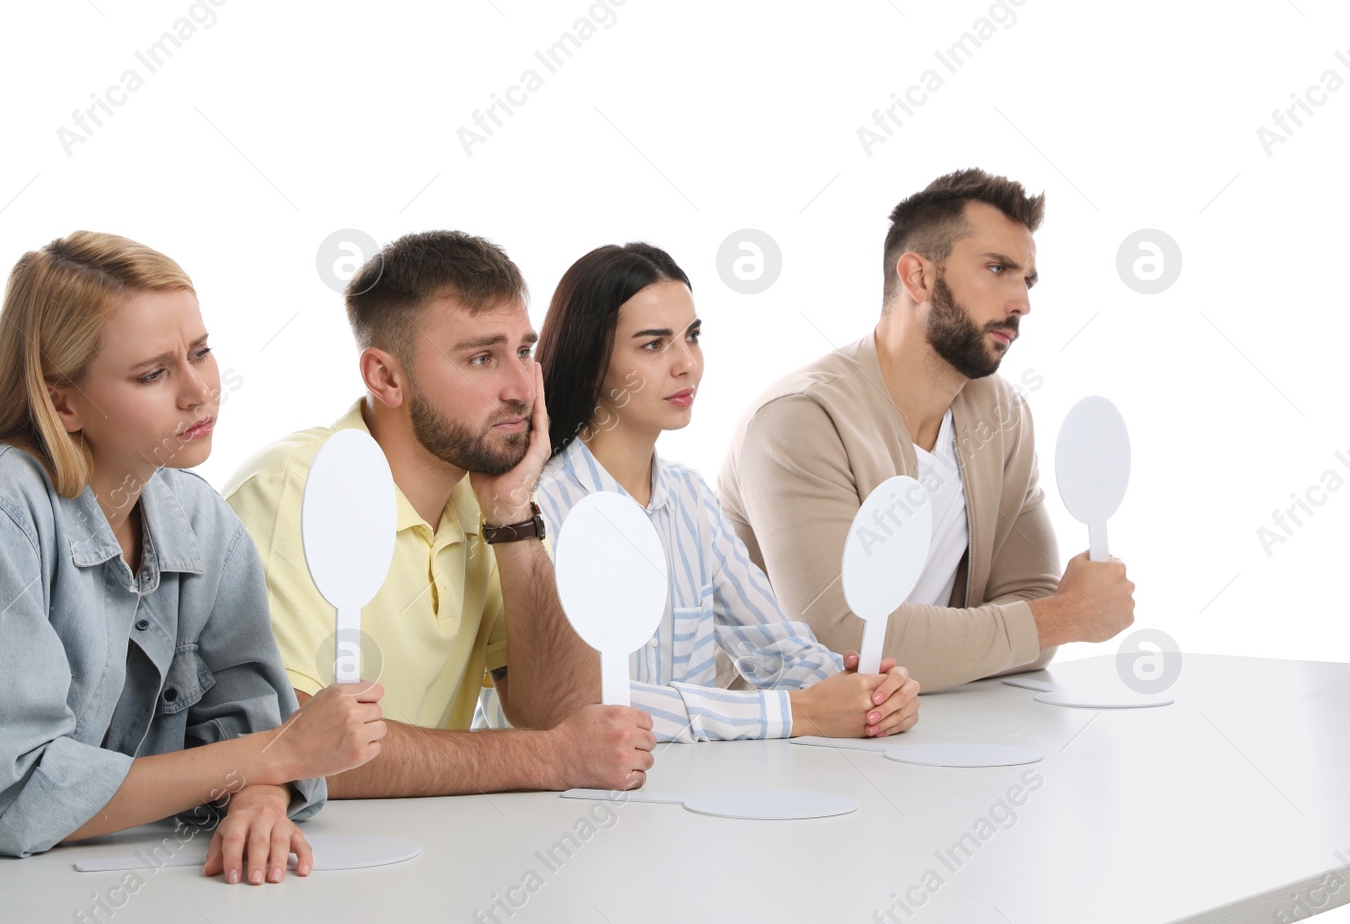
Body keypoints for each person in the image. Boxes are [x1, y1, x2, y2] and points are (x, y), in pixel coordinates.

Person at [0, 232, 386, 924]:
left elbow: (246, 724)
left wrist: (260, 797)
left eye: (200, 352)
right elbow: (10, 798)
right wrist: (273, 754)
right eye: (152, 374)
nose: (199, 392)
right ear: (64, 404)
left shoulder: (200, 518)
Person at [224, 230, 655, 798]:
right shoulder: (293, 489)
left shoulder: (484, 497)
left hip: (435, 857)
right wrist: (548, 759)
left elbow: (561, 711)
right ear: (385, 377)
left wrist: (512, 516)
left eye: (524, 352)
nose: (521, 389)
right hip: (303, 867)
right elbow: (295, 747)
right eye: (482, 358)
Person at [718, 168, 1137, 692]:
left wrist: (1043, 621)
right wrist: (1063, 618)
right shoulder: (798, 420)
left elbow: (1031, 600)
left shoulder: (1000, 414)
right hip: (772, 750)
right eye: (997, 268)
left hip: (921, 731)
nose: (1022, 302)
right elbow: (845, 643)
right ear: (918, 277)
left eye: (1026, 280)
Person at [529, 242, 919, 742]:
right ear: (590, 361)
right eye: (653, 344)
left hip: (689, 799)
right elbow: (590, 701)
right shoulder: (539, 509)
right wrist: (800, 714)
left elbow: (777, 649)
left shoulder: (691, 499)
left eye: (692, 337)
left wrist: (868, 694)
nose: (686, 364)